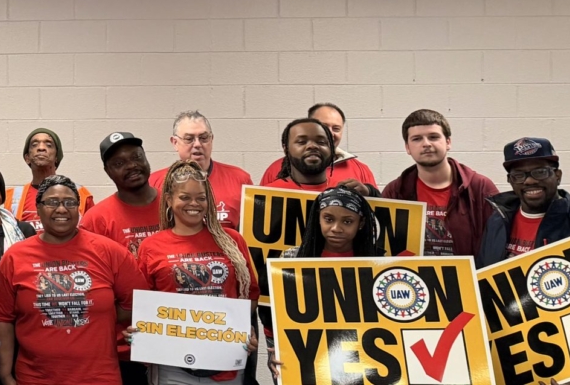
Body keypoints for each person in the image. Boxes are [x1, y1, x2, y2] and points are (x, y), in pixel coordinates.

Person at [0, 175, 146, 385]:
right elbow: (3, 319)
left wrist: (99, 314)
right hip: (35, 378)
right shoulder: (14, 257)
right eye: (52, 202)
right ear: (38, 209)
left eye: (70, 202)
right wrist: (6, 375)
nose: (62, 209)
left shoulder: (109, 251)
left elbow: (137, 303)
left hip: (99, 378)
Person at [132, 160, 259, 384]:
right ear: (169, 199)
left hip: (226, 363)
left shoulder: (232, 241)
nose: (194, 204)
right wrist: (138, 331)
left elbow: (250, 295)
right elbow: (143, 305)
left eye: (201, 198)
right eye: (185, 197)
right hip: (172, 365)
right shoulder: (151, 246)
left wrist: (242, 328)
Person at [266, 186, 384, 382]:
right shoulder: (291, 259)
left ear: (361, 223)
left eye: (347, 221)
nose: (336, 228)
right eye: (328, 219)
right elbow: (280, 316)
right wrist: (277, 348)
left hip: (363, 362)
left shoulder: (379, 263)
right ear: (318, 218)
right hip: (310, 361)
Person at [380, 109, 499, 257]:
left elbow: (496, 245)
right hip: (413, 272)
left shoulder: (480, 187)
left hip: (468, 272)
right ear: (407, 148)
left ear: (448, 142)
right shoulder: (395, 191)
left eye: (433, 137)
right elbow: (384, 250)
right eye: (417, 139)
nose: (426, 144)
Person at [477, 137, 570, 267]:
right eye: (519, 175)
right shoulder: (497, 222)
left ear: (558, 176)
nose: (530, 181)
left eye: (540, 172)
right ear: (510, 180)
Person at [149, 111, 252, 229]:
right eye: (189, 139)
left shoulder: (240, 179)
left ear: (211, 139)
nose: (197, 144)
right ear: (175, 143)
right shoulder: (155, 182)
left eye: (204, 138)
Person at [81, 132, 161, 255]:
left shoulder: (174, 205)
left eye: (137, 157)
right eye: (119, 163)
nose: (131, 165)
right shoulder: (96, 220)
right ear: (108, 171)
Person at [2, 128, 96, 232]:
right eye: (34, 145)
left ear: (56, 157)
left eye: (48, 145)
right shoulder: (11, 197)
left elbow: (92, 236)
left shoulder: (81, 194)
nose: (41, 148)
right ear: (27, 157)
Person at [259, 103, 375, 187]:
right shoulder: (275, 169)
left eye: (336, 128)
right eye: (323, 126)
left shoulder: (361, 170)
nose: (329, 133)